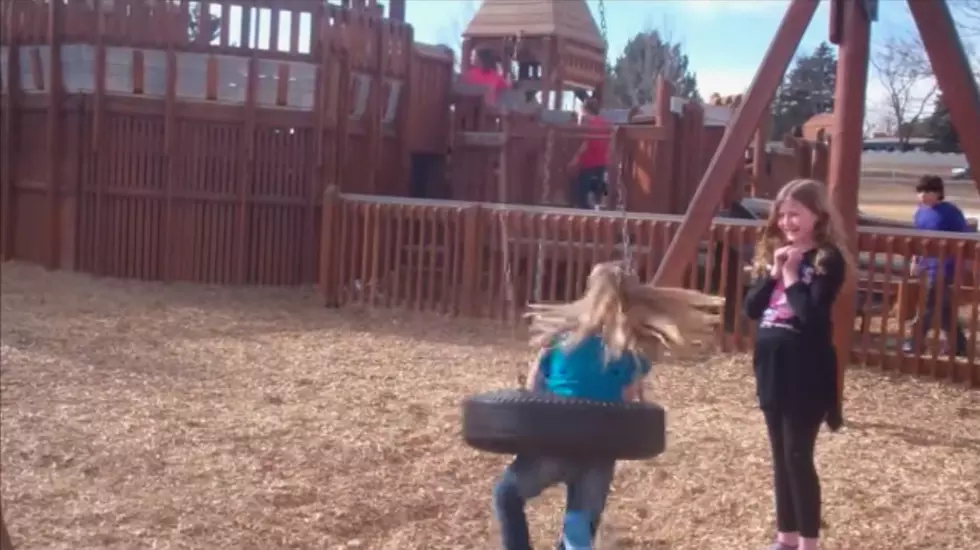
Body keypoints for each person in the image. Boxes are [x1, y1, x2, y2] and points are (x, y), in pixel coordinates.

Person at [492, 262, 721, 550]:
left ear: (589, 291)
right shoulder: (630, 353)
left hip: (555, 439)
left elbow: (533, 387)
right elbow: (626, 402)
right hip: (599, 450)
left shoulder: (559, 339)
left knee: (508, 493)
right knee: (579, 526)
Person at [743, 179, 853, 550]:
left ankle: (809, 542)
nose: (787, 222)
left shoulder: (826, 258)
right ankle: (785, 538)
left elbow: (811, 315)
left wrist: (791, 276)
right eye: (783, 214)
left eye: (795, 214)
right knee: (779, 455)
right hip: (772, 367)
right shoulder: (777, 253)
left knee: (797, 456)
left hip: (806, 370)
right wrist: (774, 273)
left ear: (817, 215)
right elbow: (751, 309)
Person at [905, 174, 970, 357]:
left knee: (928, 305)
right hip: (927, 265)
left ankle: (915, 342)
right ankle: (958, 345)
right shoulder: (919, 212)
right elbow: (920, 240)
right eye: (920, 192)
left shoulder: (951, 212)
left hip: (946, 266)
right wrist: (915, 260)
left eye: (927, 191)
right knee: (944, 308)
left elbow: (964, 239)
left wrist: (963, 265)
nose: (923, 195)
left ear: (938, 193)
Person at [567, 98, 611, 209]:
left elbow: (586, 144)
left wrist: (575, 159)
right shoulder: (605, 123)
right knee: (597, 195)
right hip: (601, 162)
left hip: (588, 163)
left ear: (586, 110)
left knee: (582, 197)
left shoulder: (588, 123)